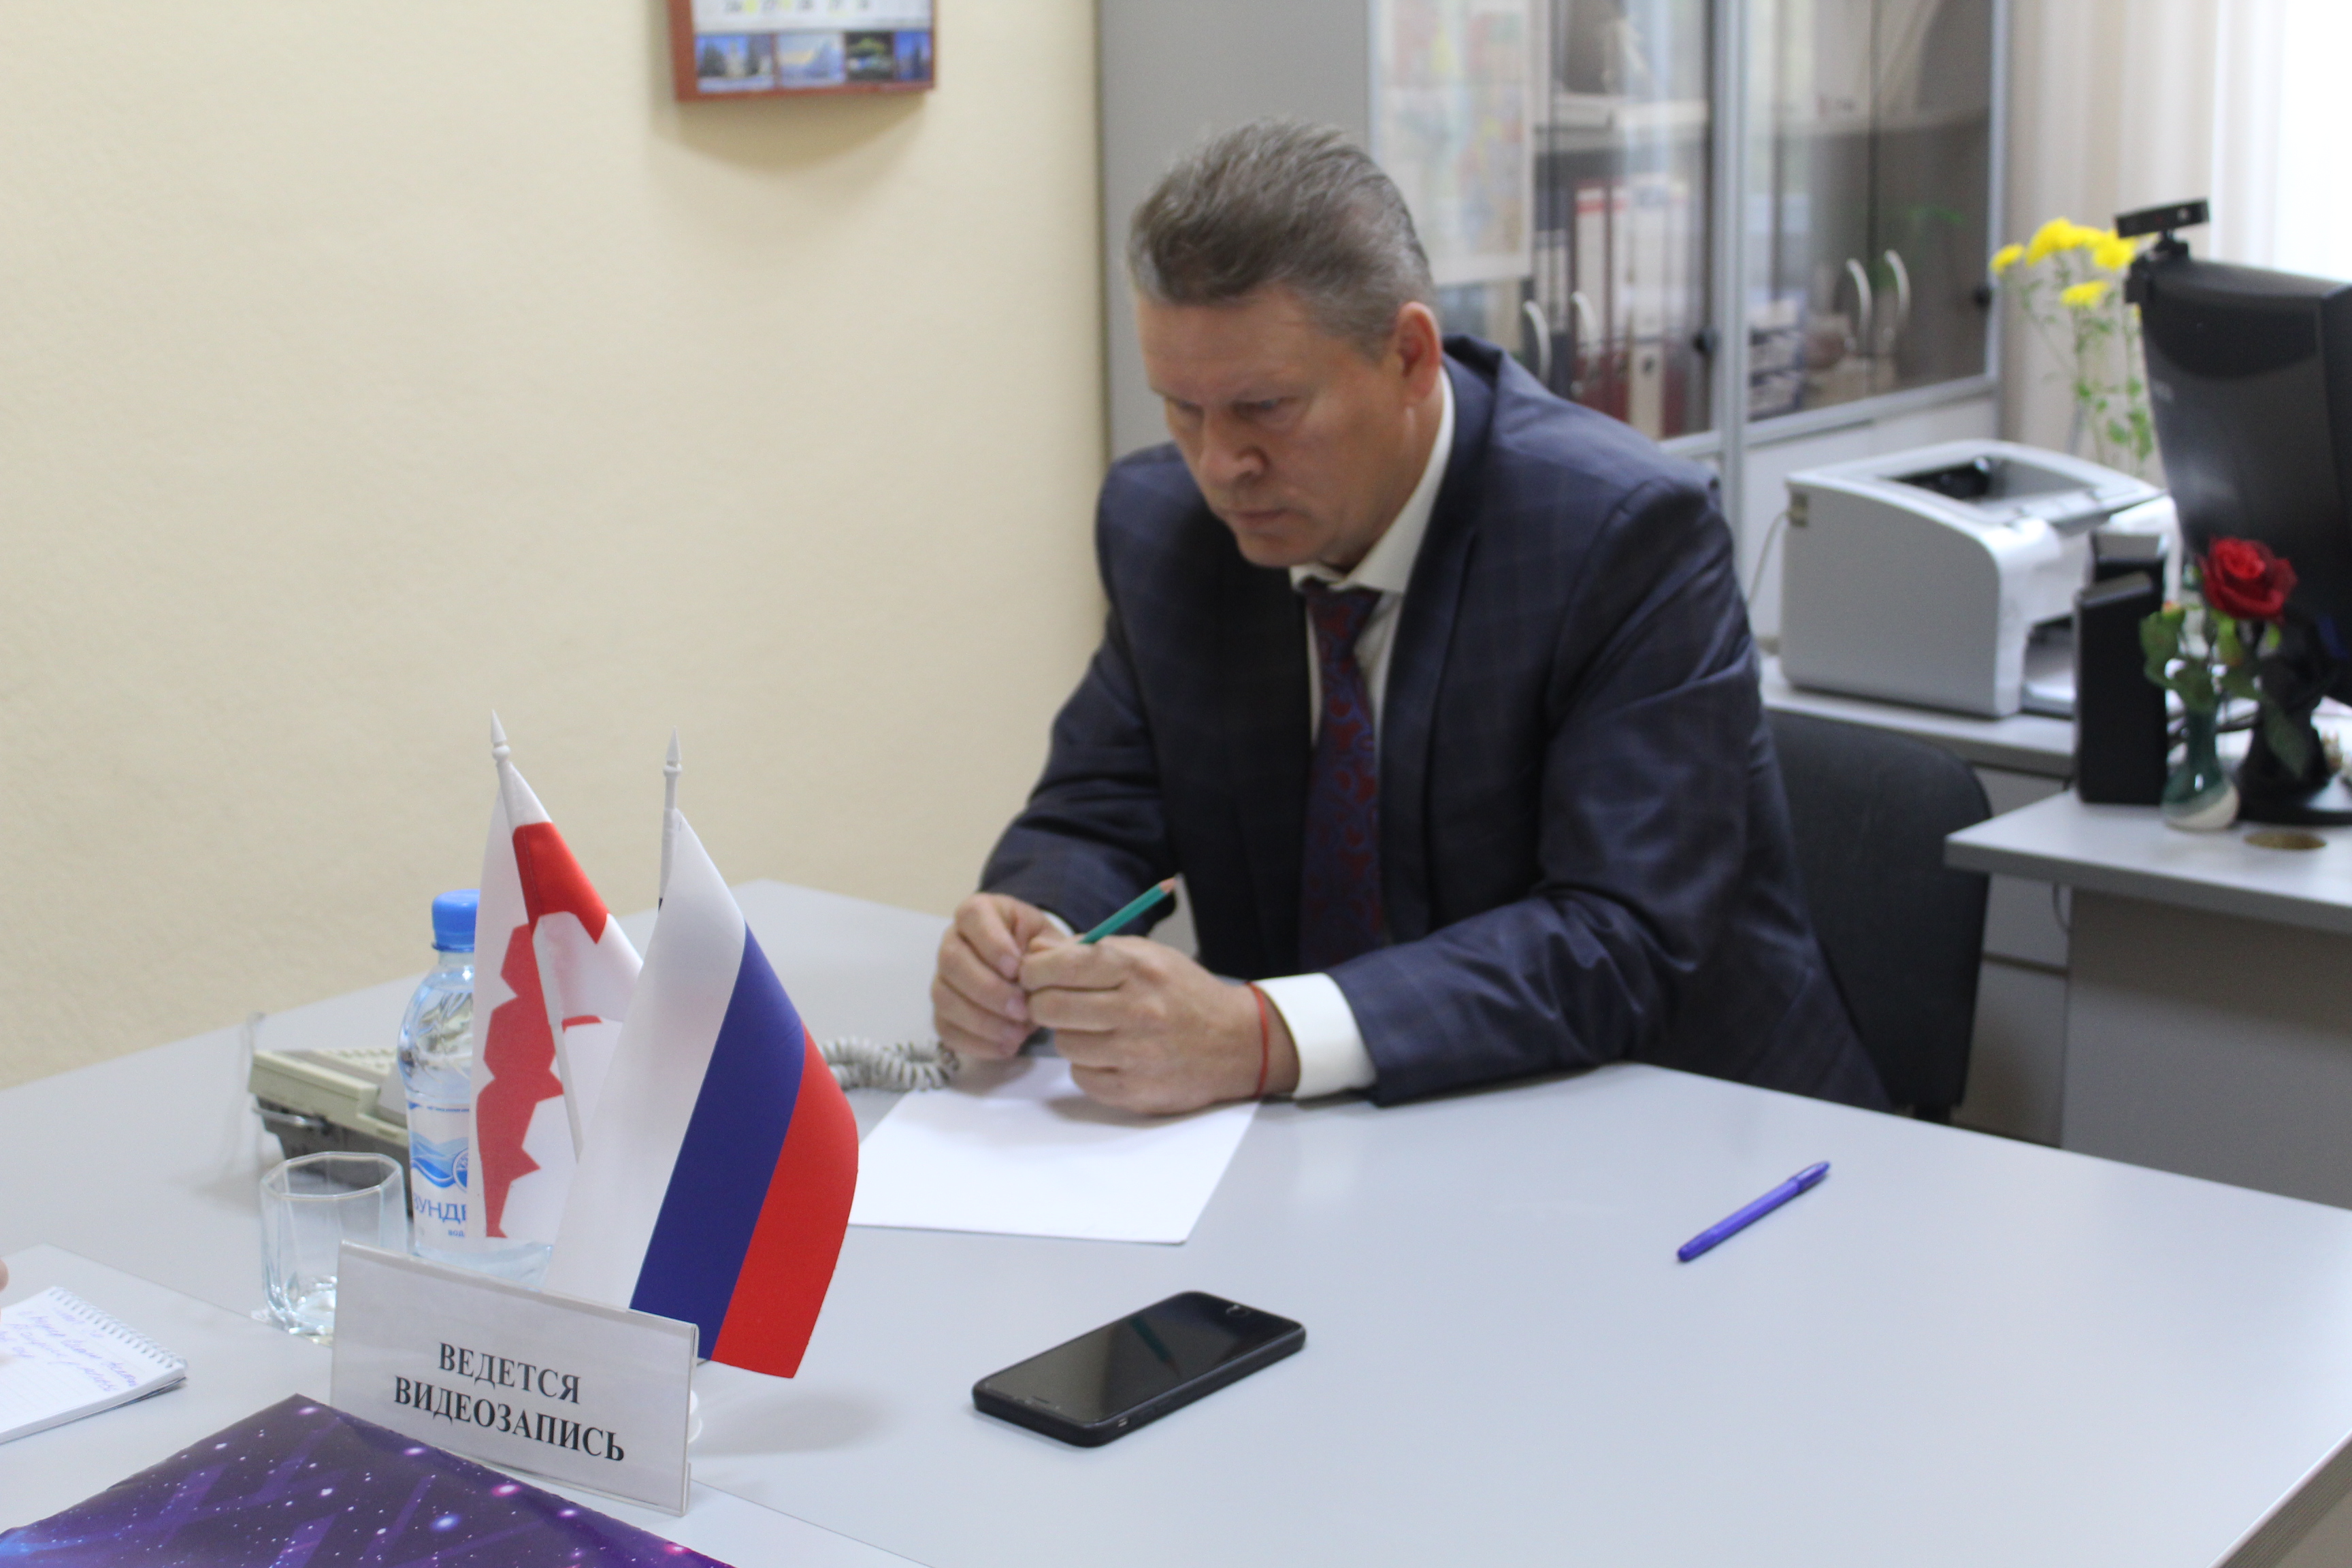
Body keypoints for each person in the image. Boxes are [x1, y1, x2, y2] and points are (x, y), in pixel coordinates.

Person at [932, 120, 1884, 1117]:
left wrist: (1265, 1035)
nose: (1219, 465)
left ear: (1411, 357)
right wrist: (1029, 932)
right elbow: (1097, 807)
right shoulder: (1164, 527)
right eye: (1182, 408)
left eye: (1265, 407)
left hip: (1685, 1123)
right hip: (1338, 1139)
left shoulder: (1620, 535)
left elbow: (1619, 937)